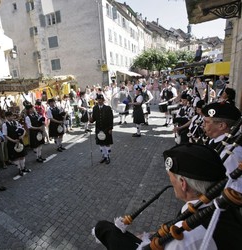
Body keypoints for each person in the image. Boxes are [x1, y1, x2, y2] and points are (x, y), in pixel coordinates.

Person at [93, 143, 242, 250]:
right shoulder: (224, 207)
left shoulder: (186, 237)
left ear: (183, 183)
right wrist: (153, 235)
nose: (170, 180)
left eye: (171, 176)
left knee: (105, 230)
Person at [202, 102, 242, 193]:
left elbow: (234, 189)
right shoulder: (215, 140)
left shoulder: (232, 153)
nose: (203, 125)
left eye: (207, 122)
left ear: (221, 126)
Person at [3, 111, 30, 176]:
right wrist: (13, 140)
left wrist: (22, 136)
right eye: (8, 117)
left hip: (19, 141)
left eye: (11, 116)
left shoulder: (16, 122)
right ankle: (19, 169)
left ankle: (23, 168)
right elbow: (5, 135)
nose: (10, 118)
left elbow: (23, 130)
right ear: (6, 117)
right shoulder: (5, 125)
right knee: (16, 157)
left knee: (22, 155)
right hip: (12, 142)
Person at [89, 94, 113, 164]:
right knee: (101, 144)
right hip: (98, 129)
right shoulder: (95, 108)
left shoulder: (108, 108)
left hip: (106, 128)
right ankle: (104, 156)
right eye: (98, 100)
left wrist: (111, 128)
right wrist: (90, 118)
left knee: (107, 143)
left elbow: (111, 119)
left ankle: (108, 156)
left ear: (103, 100)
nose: (99, 101)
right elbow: (93, 119)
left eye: (101, 100)